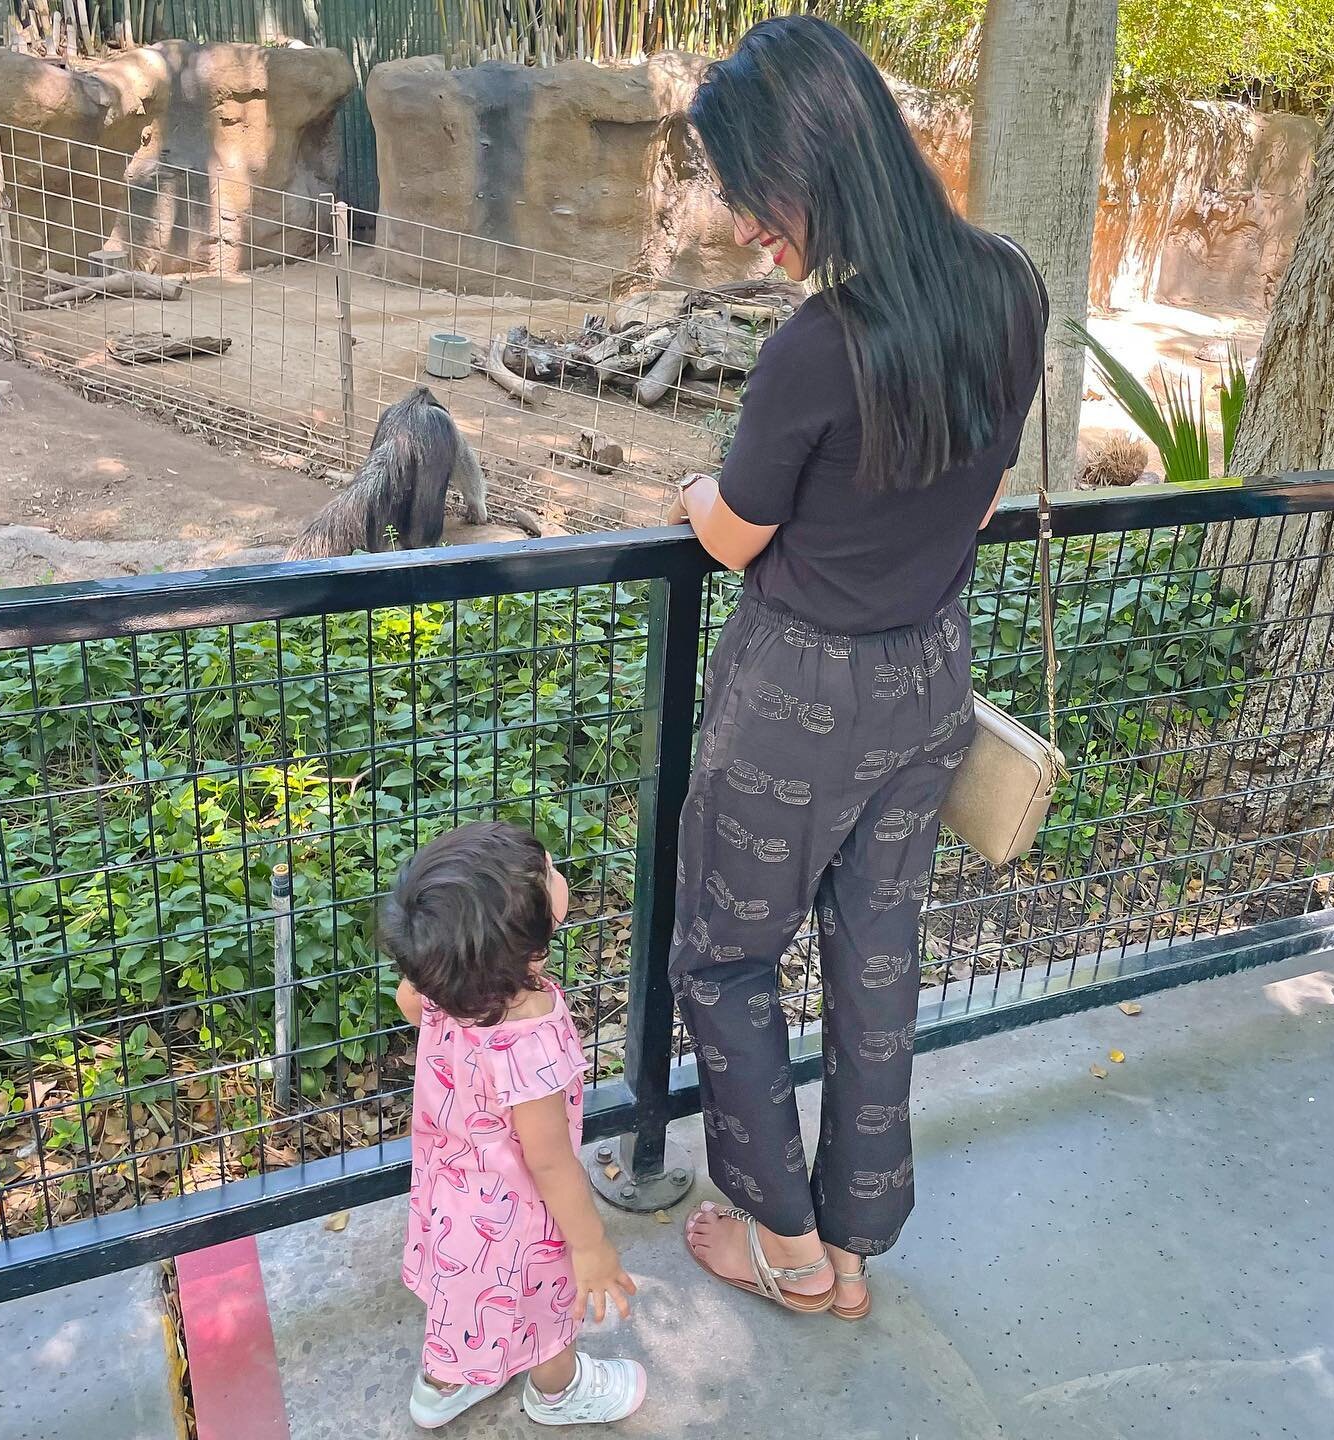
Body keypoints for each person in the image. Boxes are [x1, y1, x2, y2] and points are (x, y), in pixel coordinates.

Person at [666, 15, 1049, 1320]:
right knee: (876, 947)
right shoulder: (1007, 284)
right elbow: (982, 498)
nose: (738, 225)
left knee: (724, 955)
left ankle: (785, 1249)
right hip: (932, 677)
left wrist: (688, 493)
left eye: (746, 190)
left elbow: (734, 537)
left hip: (798, 698)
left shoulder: (813, 348)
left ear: (810, 167)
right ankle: (861, 1242)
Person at [383, 820, 647, 1429]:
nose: (559, 874)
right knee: (546, 1309)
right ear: (527, 943)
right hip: (516, 1213)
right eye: (550, 875)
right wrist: (589, 1245)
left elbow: (407, 1001)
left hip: (452, 1181)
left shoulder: (445, 984)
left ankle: (442, 1386)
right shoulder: (530, 1037)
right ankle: (557, 1392)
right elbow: (549, 1160)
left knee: (461, 1287)